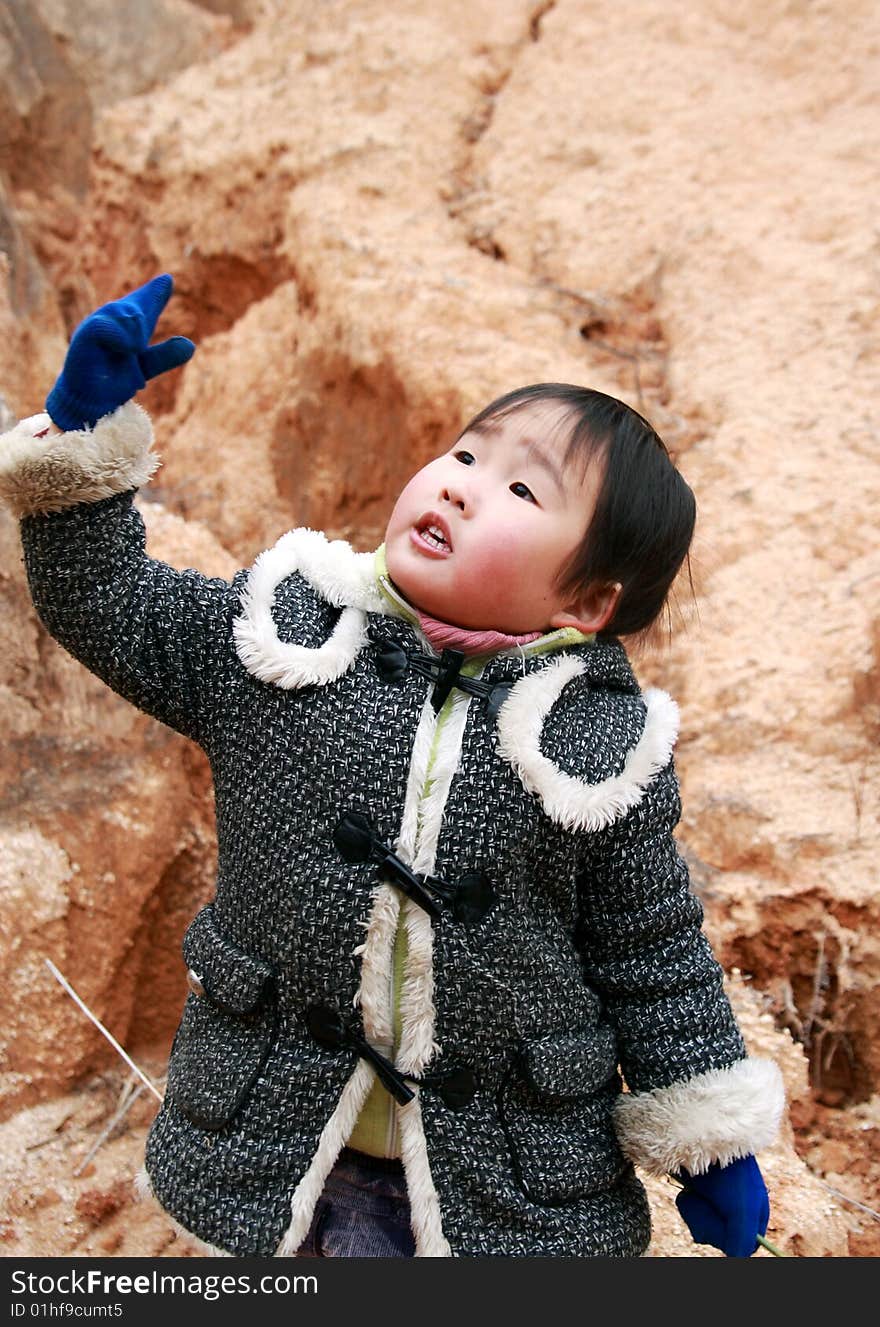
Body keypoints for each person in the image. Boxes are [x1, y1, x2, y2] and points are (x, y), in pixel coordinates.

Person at [0, 275, 784, 1259]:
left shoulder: (595, 749)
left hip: (504, 1181)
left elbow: (650, 951)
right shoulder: (282, 641)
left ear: (586, 600)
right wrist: (81, 433)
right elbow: (109, 604)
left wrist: (710, 1145)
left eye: (520, 487)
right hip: (276, 1140)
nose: (458, 481)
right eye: (462, 453)